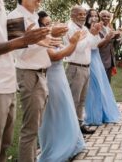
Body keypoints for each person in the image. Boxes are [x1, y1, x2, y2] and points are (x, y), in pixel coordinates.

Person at [0, 0, 48, 161]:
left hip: (7, 85)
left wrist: (35, 39)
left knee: (3, 149)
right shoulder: (10, 14)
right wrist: (25, 40)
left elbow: (11, 44)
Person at [8, 0, 67, 162]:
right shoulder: (15, 18)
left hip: (42, 75)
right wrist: (42, 40)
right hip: (29, 75)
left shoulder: (33, 16)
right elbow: (19, 54)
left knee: (36, 127)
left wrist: (48, 36)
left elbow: (44, 42)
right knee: (30, 130)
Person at [37, 11, 86, 162]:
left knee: (65, 111)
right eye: (46, 24)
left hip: (60, 79)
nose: (50, 27)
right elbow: (56, 56)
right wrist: (73, 42)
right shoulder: (41, 41)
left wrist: (73, 42)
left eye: (50, 23)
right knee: (53, 115)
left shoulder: (53, 39)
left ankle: (69, 144)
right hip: (51, 80)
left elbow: (66, 53)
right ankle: (55, 147)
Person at [64, 6, 102, 134]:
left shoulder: (84, 28)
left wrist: (94, 34)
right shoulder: (70, 29)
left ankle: (80, 125)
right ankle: (72, 129)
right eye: (79, 14)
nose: (82, 16)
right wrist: (90, 35)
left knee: (82, 100)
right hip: (75, 67)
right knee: (74, 100)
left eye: (84, 14)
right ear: (72, 15)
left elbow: (94, 45)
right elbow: (78, 48)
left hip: (86, 67)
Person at [83, 9, 121, 125]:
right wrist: (107, 38)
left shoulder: (98, 28)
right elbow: (95, 45)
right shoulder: (86, 30)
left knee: (102, 88)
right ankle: (94, 115)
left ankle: (103, 112)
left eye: (95, 16)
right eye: (91, 15)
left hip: (98, 60)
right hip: (91, 59)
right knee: (93, 89)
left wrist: (114, 38)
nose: (94, 18)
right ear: (87, 17)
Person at [98, 10, 121, 81]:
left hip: (110, 61)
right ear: (100, 17)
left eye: (108, 16)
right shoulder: (97, 28)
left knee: (107, 83)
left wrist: (118, 38)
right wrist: (108, 38)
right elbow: (97, 44)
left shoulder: (111, 28)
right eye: (104, 16)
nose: (106, 18)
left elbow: (114, 45)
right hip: (101, 59)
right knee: (101, 82)